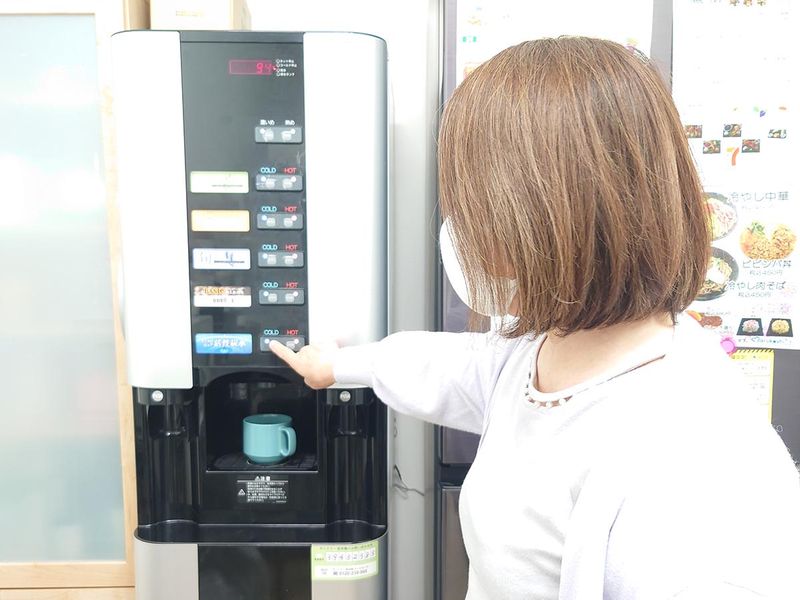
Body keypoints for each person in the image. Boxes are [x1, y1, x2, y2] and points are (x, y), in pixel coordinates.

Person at [271, 37, 800, 599]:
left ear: (550, 209)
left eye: (472, 200)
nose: (460, 224)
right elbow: (450, 365)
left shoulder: (690, 460)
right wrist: (339, 365)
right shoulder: (548, 345)